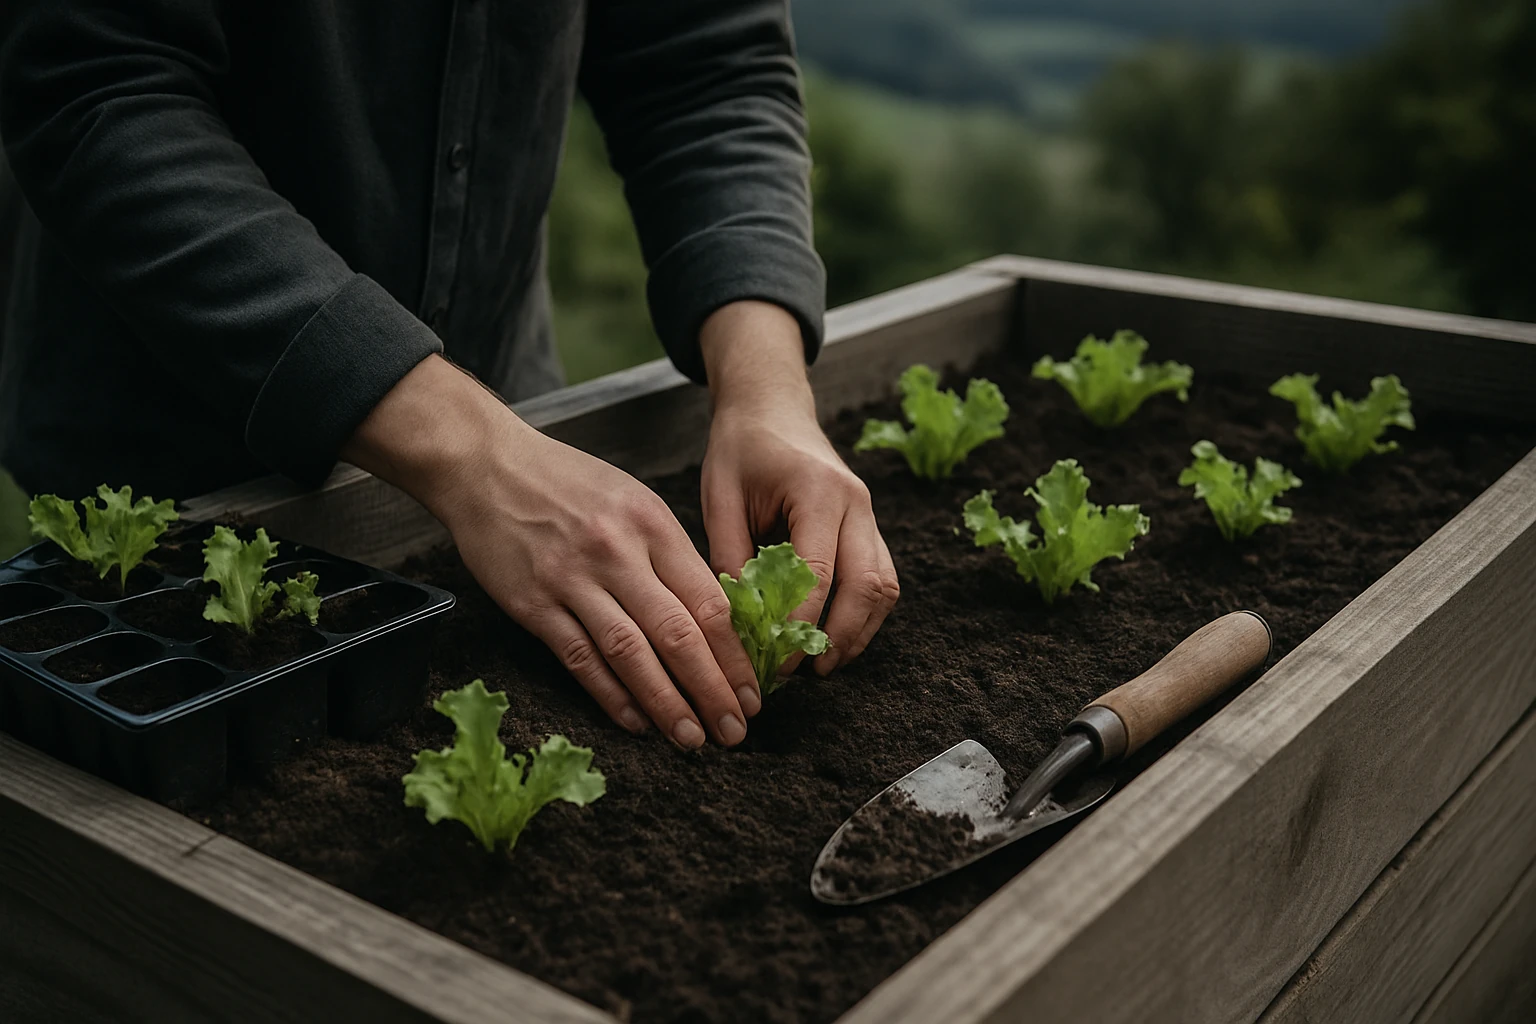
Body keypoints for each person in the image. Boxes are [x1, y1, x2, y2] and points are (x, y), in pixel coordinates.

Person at [0, 2, 899, 750]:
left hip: (507, 402)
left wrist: (767, 392)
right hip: (174, 433)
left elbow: (707, 64)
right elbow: (100, 85)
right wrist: (476, 455)